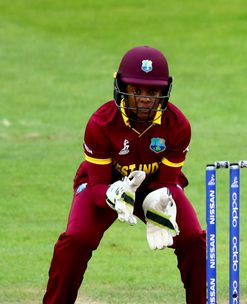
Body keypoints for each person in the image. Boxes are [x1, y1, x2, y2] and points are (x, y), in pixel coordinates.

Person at [43, 45, 205, 304]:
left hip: (155, 189)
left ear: (165, 91)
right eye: (136, 90)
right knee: (77, 240)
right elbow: (95, 183)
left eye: (152, 91)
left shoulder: (177, 125)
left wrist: (158, 203)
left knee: (194, 240)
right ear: (122, 88)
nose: (144, 98)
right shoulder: (101, 123)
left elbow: (168, 182)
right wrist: (113, 194)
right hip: (105, 185)